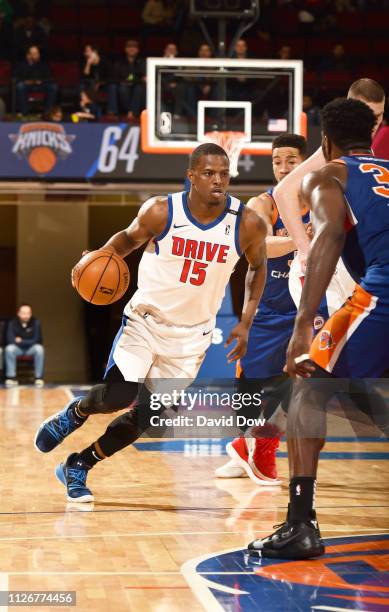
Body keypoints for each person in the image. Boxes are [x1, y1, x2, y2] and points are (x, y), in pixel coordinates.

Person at [35, 143, 268, 503]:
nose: (218, 180)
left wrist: (246, 320)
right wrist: (101, 256)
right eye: (208, 173)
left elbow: (257, 266)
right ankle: (75, 413)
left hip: (192, 336)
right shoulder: (162, 211)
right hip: (145, 321)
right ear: (191, 176)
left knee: (147, 417)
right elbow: (126, 241)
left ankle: (79, 464)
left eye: (224, 173)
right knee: (119, 394)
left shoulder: (247, 222)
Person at [248, 97, 389, 559]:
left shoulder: (328, 175)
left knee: (307, 384)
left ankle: (299, 524)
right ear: (370, 138)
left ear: (325, 142)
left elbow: (326, 237)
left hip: (380, 294)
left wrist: (304, 324)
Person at [215, 134, 311, 484]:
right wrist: (303, 239)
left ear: (307, 161)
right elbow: (257, 245)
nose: (283, 167)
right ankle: (245, 445)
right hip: (267, 311)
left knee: (302, 387)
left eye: (290, 160)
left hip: (308, 309)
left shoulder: (322, 201)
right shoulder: (264, 203)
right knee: (251, 388)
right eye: (276, 161)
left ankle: (260, 448)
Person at [272, 78, 385, 265]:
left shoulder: (366, 150)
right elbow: (283, 192)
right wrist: (304, 249)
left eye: (378, 115)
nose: (373, 123)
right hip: (334, 263)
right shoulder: (337, 146)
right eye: (367, 114)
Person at [5, 304, 44, 387]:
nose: (26, 315)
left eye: (28, 313)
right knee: (9, 349)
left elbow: (37, 340)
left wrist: (20, 340)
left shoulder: (36, 323)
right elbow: (10, 340)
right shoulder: (12, 323)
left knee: (39, 349)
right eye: (23, 313)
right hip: (17, 349)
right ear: (18, 313)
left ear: (31, 314)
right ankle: (11, 378)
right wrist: (28, 340)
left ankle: (38, 378)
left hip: (30, 349)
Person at [14, 45, 58, 116]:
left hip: (41, 85)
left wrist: (41, 81)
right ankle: (24, 112)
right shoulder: (21, 65)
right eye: (34, 54)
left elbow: (49, 78)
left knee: (53, 87)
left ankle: (47, 112)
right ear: (28, 55)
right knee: (20, 86)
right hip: (27, 86)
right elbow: (16, 78)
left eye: (37, 53)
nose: (37, 55)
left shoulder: (43, 64)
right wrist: (26, 81)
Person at [110, 40, 146, 120]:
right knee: (122, 88)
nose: (132, 49)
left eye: (134, 47)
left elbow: (143, 77)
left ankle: (132, 113)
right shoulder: (119, 62)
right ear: (125, 49)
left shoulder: (141, 62)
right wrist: (124, 82)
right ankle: (128, 111)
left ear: (137, 50)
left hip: (137, 85)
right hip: (123, 85)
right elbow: (115, 77)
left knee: (139, 88)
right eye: (129, 47)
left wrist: (135, 81)